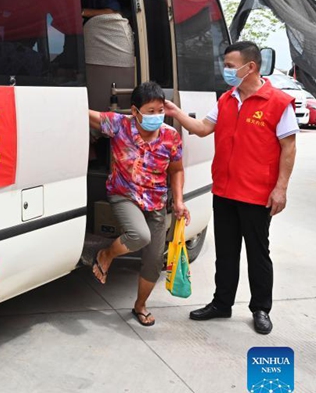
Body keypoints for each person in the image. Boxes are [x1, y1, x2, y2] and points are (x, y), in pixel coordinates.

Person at [164, 41, 297, 335]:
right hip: (224, 191)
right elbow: (201, 129)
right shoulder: (226, 99)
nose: (225, 70)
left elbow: (288, 148)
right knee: (225, 252)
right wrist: (176, 112)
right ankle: (221, 303)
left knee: (258, 254)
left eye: (229, 65)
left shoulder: (277, 102)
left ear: (250, 67)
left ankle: (260, 308)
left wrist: (281, 188)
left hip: (257, 194)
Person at [88, 81, 190, 327]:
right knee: (139, 235)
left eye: (160, 111)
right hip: (124, 195)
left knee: (154, 262)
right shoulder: (120, 125)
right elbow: (87, 115)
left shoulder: (170, 136)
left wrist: (178, 200)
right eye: (150, 111)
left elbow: (176, 171)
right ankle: (106, 254)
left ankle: (140, 306)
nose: (156, 116)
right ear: (135, 111)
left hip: (156, 202)